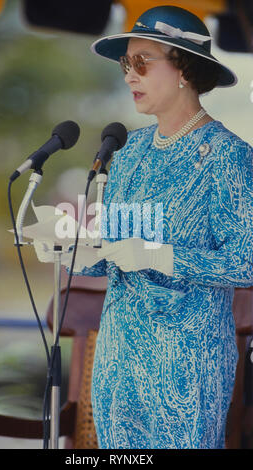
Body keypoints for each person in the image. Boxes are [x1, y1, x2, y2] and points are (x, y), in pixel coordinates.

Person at [61, 5, 253, 449]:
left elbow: (245, 261)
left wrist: (159, 255)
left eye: (142, 63)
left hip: (186, 363)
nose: (129, 75)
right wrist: (70, 249)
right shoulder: (127, 152)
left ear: (184, 67)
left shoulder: (227, 156)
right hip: (117, 355)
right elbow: (114, 253)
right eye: (126, 64)